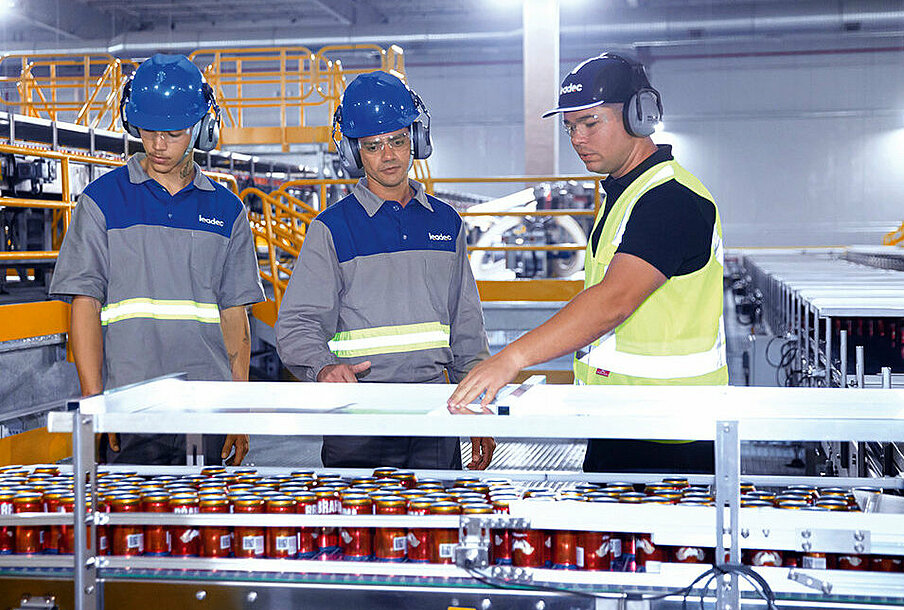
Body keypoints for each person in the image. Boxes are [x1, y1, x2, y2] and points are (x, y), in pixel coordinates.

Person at [449, 53, 727, 473]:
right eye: (570, 127)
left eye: (591, 123)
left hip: (671, 431)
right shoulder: (621, 196)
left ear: (639, 116)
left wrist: (512, 358)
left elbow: (614, 300)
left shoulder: (670, 200)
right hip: (621, 420)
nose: (578, 138)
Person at [50, 54, 265, 465]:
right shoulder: (101, 203)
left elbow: (235, 317)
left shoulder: (228, 211)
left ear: (202, 129)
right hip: (129, 406)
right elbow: (85, 306)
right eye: (148, 131)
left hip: (207, 406)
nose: (158, 145)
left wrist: (239, 408)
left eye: (173, 133)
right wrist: (96, 405)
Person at [276, 71, 494, 471]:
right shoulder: (332, 229)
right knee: (361, 532)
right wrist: (323, 366)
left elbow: (466, 325)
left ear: (417, 138)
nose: (389, 155)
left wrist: (479, 404)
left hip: (434, 412)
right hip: (359, 415)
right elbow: (297, 324)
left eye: (397, 140)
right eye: (373, 146)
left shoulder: (446, 223)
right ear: (354, 153)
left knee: (436, 529)